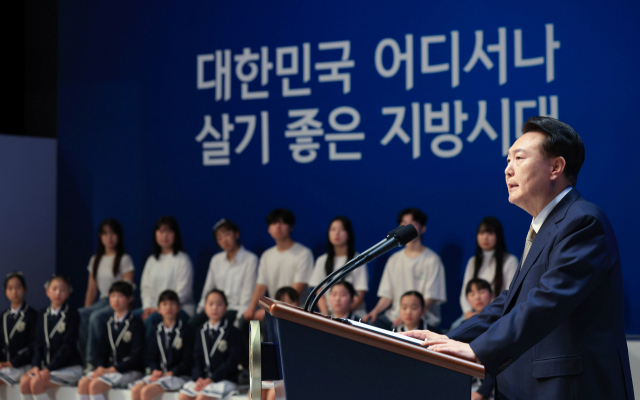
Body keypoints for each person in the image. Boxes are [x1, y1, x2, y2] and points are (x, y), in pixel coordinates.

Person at [403, 116, 634, 399]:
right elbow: (511, 301)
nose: (507, 170)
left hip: (570, 389)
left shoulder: (583, 221)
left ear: (555, 167)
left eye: (519, 158)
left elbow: (547, 300)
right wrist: (451, 338)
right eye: (507, 160)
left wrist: (478, 349)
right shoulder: (544, 225)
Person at [362, 208, 447, 329]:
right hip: (393, 318)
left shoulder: (432, 260)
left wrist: (408, 315)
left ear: (423, 228)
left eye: (411, 223)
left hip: (421, 319)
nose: (406, 227)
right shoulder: (394, 259)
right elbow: (387, 296)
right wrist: (375, 311)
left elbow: (431, 296)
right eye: (403, 223)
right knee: (370, 326)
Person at [80, 218, 135, 369]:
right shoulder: (95, 259)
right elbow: (91, 290)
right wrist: (87, 307)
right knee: (80, 314)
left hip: (117, 302)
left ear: (119, 236)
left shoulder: (124, 259)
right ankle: (82, 360)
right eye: (105, 234)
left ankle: (94, 361)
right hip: (102, 300)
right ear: (100, 236)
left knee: (96, 317)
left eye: (112, 233)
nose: (109, 238)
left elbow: (127, 288)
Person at [243, 208, 313, 322]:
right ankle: (254, 341)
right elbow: (261, 286)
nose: (278, 227)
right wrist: (251, 308)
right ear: (269, 229)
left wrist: (272, 308)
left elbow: (294, 293)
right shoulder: (267, 255)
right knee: (251, 324)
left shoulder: (303, 253)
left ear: (291, 227)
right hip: (273, 309)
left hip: (295, 311)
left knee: (267, 326)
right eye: (274, 223)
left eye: (283, 222)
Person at [77, 281, 143, 399]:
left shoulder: (135, 324)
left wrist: (111, 369)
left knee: (95, 385)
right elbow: (102, 352)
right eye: (113, 296)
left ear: (130, 298)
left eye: (120, 296)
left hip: (129, 370)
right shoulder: (108, 323)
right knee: (83, 383)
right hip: (110, 370)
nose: (116, 300)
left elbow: (136, 357)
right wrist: (101, 367)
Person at [21, 275, 83, 400]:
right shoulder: (42, 313)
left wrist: (49, 368)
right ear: (47, 291)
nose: (58, 293)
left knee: (36, 383)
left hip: (68, 367)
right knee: (24, 381)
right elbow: (37, 343)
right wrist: (36, 366)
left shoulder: (72, 314)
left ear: (68, 293)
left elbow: (68, 346)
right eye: (54, 289)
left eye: (63, 289)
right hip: (48, 367)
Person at [190, 219, 258, 329]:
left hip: (236, 309)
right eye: (219, 238)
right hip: (215, 308)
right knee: (191, 325)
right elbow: (208, 289)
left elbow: (248, 294)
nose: (224, 240)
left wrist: (238, 319)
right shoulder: (216, 260)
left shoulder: (250, 259)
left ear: (236, 234)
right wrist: (201, 311)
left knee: (229, 327)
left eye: (227, 235)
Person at [138, 216, 195, 340]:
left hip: (179, 309)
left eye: (169, 231)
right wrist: (148, 307)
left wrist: (161, 308)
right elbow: (146, 288)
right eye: (161, 231)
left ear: (175, 234)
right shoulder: (151, 260)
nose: (165, 236)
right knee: (131, 318)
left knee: (152, 320)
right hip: (154, 308)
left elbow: (183, 292)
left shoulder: (183, 259)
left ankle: (149, 359)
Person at [130, 290, 194, 400]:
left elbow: (187, 360)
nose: (168, 308)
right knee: (136, 390)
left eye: (172, 304)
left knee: (146, 392)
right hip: (161, 375)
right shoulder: (156, 330)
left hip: (179, 375)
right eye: (164, 304)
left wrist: (172, 372)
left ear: (179, 307)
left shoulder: (186, 330)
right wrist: (155, 369)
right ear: (158, 309)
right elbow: (152, 355)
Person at [179, 290, 242, 400]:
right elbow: (196, 359)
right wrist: (198, 378)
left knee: (202, 398)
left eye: (219, 304)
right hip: (204, 380)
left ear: (226, 307)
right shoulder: (200, 331)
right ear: (205, 307)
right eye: (211, 304)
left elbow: (232, 362)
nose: (214, 308)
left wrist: (212, 379)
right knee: (183, 396)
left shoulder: (232, 332)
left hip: (225, 380)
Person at [458, 217, 517, 320]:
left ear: (498, 236)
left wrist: (491, 314)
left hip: (498, 316)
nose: (485, 237)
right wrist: (468, 312)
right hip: (474, 315)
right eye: (481, 233)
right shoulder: (473, 261)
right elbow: (465, 293)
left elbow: (510, 293)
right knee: (454, 328)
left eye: (490, 233)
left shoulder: (510, 261)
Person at [308, 216, 368, 316]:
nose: (337, 233)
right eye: (333, 229)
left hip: (353, 315)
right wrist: (326, 314)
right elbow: (319, 292)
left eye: (342, 229)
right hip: (330, 315)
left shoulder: (357, 259)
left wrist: (343, 315)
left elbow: (360, 294)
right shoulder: (322, 260)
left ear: (349, 234)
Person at [0, 272, 37, 386]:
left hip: (22, 366)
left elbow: (33, 346)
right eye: (10, 288)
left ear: (24, 289)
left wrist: (11, 363)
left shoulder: (32, 315)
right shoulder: (3, 316)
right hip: (4, 366)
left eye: (18, 287)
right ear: (5, 291)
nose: (14, 292)